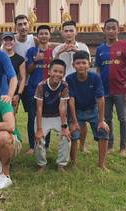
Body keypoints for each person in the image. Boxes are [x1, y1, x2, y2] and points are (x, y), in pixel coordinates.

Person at [95, 18, 126, 157]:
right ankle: (110, 145)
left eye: (114, 28)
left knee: (123, 119)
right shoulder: (100, 49)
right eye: (108, 28)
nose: (111, 31)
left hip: (121, 89)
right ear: (104, 30)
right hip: (104, 91)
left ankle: (123, 148)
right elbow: (98, 70)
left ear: (119, 30)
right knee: (106, 119)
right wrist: (97, 90)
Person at [66, 51, 110, 171]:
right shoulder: (70, 79)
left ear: (89, 64)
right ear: (73, 65)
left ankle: (101, 164)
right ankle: (73, 163)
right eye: (78, 63)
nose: (81, 65)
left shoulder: (95, 77)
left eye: (84, 63)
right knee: (74, 134)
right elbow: (71, 100)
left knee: (103, 132)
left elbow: (100, 99)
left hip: (93, 109)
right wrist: (74, 122)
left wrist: (101, 120)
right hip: (77, 110)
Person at [53, 20, 91, 153]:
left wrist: (77, 51)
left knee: (82, 117)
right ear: (62, 33)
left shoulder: (83, 46)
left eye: (71, 30)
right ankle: (66, 143)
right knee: (65, 115)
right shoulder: (57, 49)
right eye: (66, 31)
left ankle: (82, 145)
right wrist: (61, 52)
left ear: (76, 32)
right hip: (63, 85)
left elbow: (87, 64)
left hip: (80, 85)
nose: (68, 33)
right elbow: (54, 66)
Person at [34, 59, 71, 172]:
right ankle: (41, 164)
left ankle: (61, 164)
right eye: (55, 71)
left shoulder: (64, 86)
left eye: (61, 72)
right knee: (39, 139)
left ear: (64, 74)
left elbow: (63, 106)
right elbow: (39, 108)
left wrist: (64, 127)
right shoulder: (41, 86)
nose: (57, 74)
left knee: (66, 137)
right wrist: (39, 129)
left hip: (57, 116)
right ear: (49, 71)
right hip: (43, 116)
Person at [24, 25, 54, 154]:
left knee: (47, 117)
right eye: (41, 34)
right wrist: (36, 61)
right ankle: (32, 146)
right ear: (37, 36)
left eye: (46, 33)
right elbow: (28, 70)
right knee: (32, 117)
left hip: (49, 89)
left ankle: (46, 145)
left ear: (49, 35)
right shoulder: (31, 51)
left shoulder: (53, 52)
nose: (43, 36)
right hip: (33, 89)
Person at [1, 32, 26, 113]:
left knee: (11, 116)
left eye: (10, 40)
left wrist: (18, 95)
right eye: (6, 40)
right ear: (2, 42)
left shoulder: (20, 59)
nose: (8, 42)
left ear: (14, 42)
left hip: (14, 91)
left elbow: (23, 78)